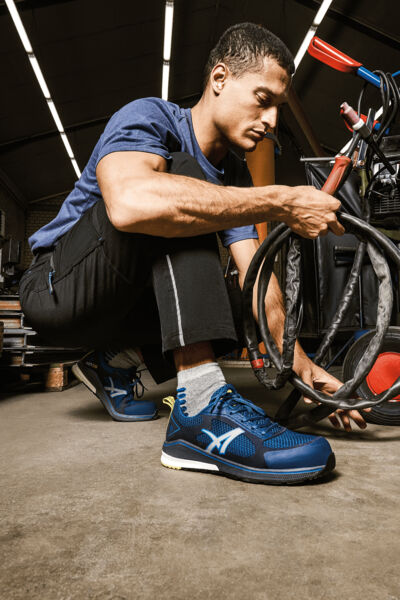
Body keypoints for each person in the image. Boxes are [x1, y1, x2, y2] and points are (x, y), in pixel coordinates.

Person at [19, 23, 367, 485]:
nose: (272, 122)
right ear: (219, 78)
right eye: (263, 100)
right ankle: (200, 409)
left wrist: (302, 372)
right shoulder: (149, 116)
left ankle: (115, 360)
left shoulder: (234, 173)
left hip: (119, 304)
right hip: (56, 291)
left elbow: (258, 280)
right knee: (183, 186)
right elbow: (129, 204)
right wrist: (282, 201)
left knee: (224, 269)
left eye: (278, 108)